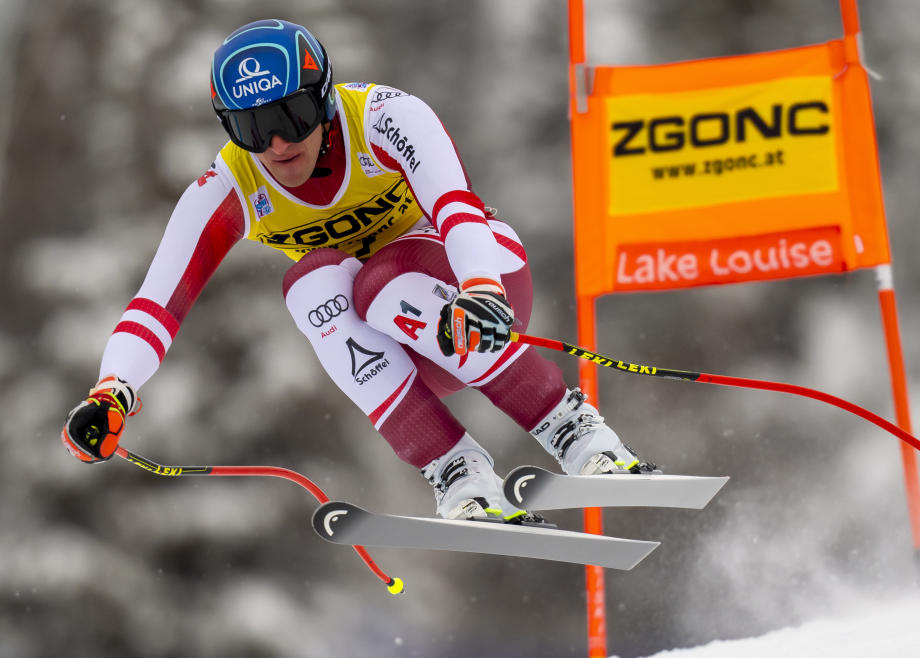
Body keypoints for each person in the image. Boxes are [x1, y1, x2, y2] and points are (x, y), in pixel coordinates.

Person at [61, 18, 655, 524]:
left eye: (290, 116)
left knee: (381, 281)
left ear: (320, 97)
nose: (273, 144)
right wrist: (113, 391)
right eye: (248, 128)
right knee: (309, 285)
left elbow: (456, 206)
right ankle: (454, 468)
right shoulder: (230, 185)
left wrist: (479, 289)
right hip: (406, 337)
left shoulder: (382, 117)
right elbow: (156, 305)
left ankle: (578, 434)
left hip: (483, 286)